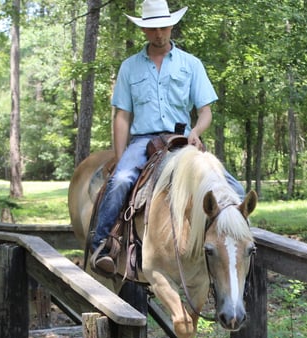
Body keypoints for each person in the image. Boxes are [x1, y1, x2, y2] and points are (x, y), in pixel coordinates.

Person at [89, 0, 244, 276]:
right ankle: (102, 244)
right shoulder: (129, 68)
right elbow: (122, 116)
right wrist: (119, 154)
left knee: (236, 192)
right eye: (152, 29)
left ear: (171, 25)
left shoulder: (190, 65)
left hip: (182, 139)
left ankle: (231, 250)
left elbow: (205, 112)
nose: (158, 33)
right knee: (121, 180)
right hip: (142, 141)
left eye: (163, 27)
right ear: (143, 31)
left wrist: (196, 131)